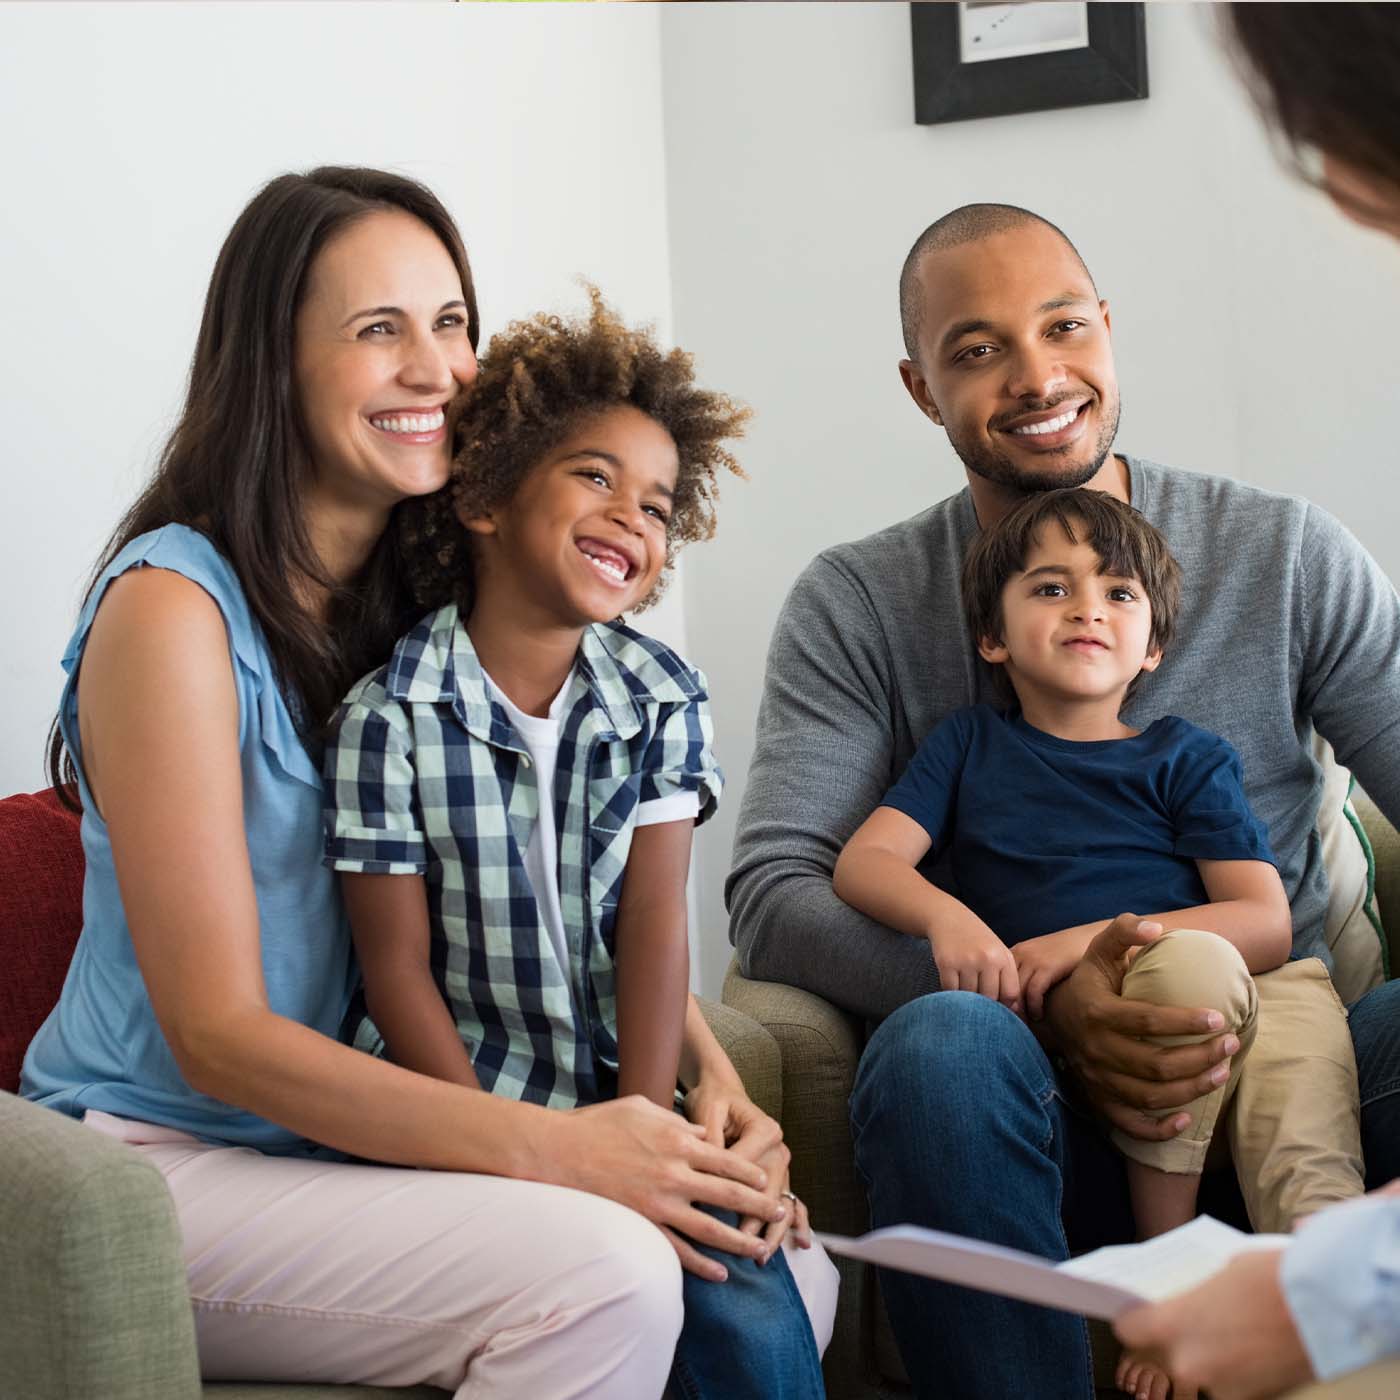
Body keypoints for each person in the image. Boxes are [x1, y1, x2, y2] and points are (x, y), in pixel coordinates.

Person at [19, 165, 822, 1399]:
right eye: (376, 329)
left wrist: (700, 1096)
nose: (436, 369)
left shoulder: (433, 612)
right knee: (607, 1266)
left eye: (449, 323)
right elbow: (217, 1035)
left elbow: (558, 896)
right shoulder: (171, 612)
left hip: (348, 1144)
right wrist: (563, 1152)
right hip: (158, 1161)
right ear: (271, 363)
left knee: (778, 1268)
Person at [727, 194, 1400, 1396]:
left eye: (1062, 327)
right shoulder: (860, 602)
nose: (1037, 377)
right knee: (941, 1045)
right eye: (976, 350)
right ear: (919, 387)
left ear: (1107, 327)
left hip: (1281, 1049)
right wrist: (1044, 999)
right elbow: (778, 891)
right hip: (1009, 1107)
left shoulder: (1285, 554)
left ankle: (1328, 1312)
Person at [322, 287, 836, 1397]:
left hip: (615, 1091)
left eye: (655, 504)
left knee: (752, 1265)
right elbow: (394, 970)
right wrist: (497, 1149)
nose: (628, 519)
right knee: (697, 1283)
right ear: (486, 495)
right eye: (594, 476)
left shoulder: (659, 695)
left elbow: (653, 925)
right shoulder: (387, 716)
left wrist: (646, 1133)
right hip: (447, 1102)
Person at [834, 485, 1365, 1400]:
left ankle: (1292, 1335)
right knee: (1156, 978)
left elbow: (1262, 920)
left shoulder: (1183, 755)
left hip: (1235, 1000)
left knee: (1299, 1158)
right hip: (1071, 1069)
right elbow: (867, 862)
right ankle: (1166, 1288)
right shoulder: (966, 747)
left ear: (1153, 646)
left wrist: (1080, 944)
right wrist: (948, 917)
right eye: (1050, 589)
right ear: (991, 638)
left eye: (1120, 593)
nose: (1088, 606)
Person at [1109, 8, 1400, 1398]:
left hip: (1278, 984)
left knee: (1286, 1027)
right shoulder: (927, 685)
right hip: (1065, 1019)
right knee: (948, 1053)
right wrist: (1034, 976)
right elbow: (805, 883)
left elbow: (1268, 916)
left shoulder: (1276, 565)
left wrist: (1333, 1288)